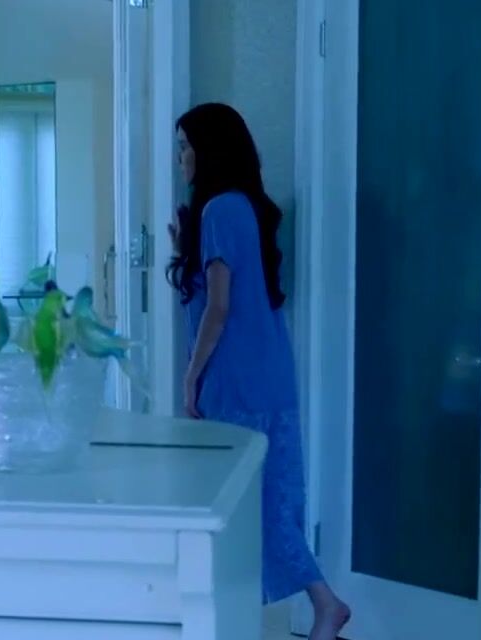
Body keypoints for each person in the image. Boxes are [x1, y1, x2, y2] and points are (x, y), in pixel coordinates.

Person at [166, 102, 350, 640]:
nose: (181, 158)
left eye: (185, 147)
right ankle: (322, 605)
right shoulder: (241, 207)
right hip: (267, 378)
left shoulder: (219, 210)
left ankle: (315, 605)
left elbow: (219, 308)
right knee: (272, 500)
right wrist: (184, 249)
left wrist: (190, 376)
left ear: (209, 151)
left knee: (241, 506)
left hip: (236, 383)